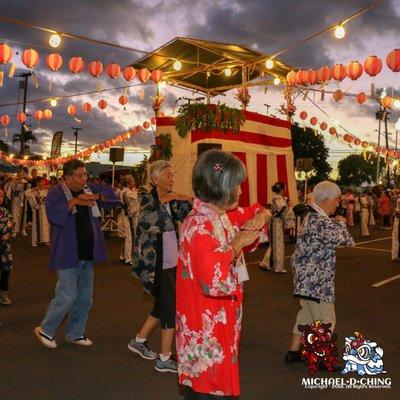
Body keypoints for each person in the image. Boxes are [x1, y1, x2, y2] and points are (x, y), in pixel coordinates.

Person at [176, 150, 271, 399]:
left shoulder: (222, 217)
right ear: (220, 188)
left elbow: (259, 210)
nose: (240, 192)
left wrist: (262, 216)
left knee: (215, 387)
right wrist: (236, 244)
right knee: (206, 390)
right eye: (236, 186)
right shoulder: (198, 226)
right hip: (205, 330)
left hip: (221, 324)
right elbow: (213, 280)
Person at [34, 159, 112, 349]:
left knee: (86, 298)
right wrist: (76, 201)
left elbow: (112, 197)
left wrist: (98, 197)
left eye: (85, 174)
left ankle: (75, 333)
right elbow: (54, 216)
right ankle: (45, 329)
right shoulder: (56, 193)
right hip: (67, 252)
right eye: (79, 175)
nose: (84, 178)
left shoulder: (88, 189)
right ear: (67, 178)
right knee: (66, 295)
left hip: (87, 252)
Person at [129, 160, 192, 373]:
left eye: (173, 175)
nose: (173, 179)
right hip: (157, 266)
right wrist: (170, 198)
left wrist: (188, 199)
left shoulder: (171, 200)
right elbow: (150, 222)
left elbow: (190, 211)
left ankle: (139, 340)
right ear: (155, 180)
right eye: (168, 176)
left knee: (161, 306)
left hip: (171, 262)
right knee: (170, 310)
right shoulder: (146, 199)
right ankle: (164, 358)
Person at [285, 181, 354, 363]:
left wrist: (334, 222)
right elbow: (345, 240)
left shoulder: (314, 216)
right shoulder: (319, 220)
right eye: (337, 200)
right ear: (326, 200)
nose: (339, 203)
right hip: (317, 283)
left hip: (307, 281)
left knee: (306, 316)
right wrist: (341, 223)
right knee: (326, 319)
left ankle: (293, 352)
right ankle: (323, 358)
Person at [259, 181, 294, 273]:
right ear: (282, 189)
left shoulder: (277, 198)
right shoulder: (279, 199)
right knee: (278, 245)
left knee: (274, 244)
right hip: (277, 223)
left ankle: (265, 263)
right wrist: (290, 207)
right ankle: (278, 267)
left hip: (275, 221)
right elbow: (283, 210)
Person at [119, 175, 139, 265]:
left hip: (131, 215)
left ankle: (123, 255)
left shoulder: (130, 191)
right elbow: (131, 205)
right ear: (128, 183)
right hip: (128, 216)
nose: (134, 183)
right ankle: (128, 257)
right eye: (133, 181)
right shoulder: (126, 192)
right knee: (130, 236)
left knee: (128, 236)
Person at [25, 176, 50, 246]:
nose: (42, 183)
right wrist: (35, 188)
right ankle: (36, 241)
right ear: (37, 183)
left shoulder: (46, 190)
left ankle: (45, 240)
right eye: (40, 182)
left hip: (45, 208)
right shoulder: (34, 190)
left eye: (43, 181)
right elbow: (26, 193)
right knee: (37, 224)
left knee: (45, 224)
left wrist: (49, 188)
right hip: (37, 209)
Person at [0, 188, 15, 305]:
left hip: (4, 247)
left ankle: (3, 293)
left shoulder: (5, 211)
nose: (0, 198)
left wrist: (6, 232)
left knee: (5, 271)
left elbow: (11, 225)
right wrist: (5, 228)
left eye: (1, 196)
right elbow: (7, 225)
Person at [10, 170, 28, 237]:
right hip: (15, 200)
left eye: (21, 174)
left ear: (23, 175)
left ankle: (23, 229)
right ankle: (15, 230)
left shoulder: (26, 182)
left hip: (23, 200)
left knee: (23, 215)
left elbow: (27, 192)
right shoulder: (14, 182)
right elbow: (11, 190)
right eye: (19, 174)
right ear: (17, 175)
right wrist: (14, 182)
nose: (20, 176)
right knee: (15, 215)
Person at [391, 196, 400, 261]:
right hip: (397, 220)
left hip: (397, 220)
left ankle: (395, 255)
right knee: (396, 238)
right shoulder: (399, 200)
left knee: (396, 238)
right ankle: (395, 255)